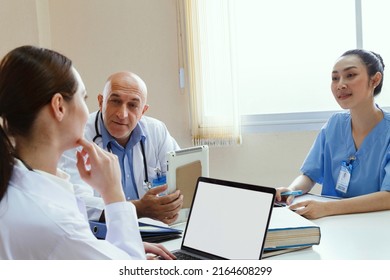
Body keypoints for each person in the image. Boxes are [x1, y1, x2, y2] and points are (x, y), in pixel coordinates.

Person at [0, 45, 175, 259]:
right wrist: (113, 194)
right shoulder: (59, 227)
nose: (122, 114)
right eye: (83, 97)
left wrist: (111, 251)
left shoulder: (15, 189)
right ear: (59, 107)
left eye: (132, 105)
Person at [276, 49, 390, 219]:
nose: (340, 84)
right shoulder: (334, 124)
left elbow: (388, 197)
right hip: (332, 224)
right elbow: (309, 175)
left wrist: (327, 208)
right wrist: (291, 190)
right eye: (335, 78)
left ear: (375, 79)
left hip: (376, 225)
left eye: (350, 75)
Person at [59, 71, 183, 225]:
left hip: (157, 231)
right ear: (101, 102)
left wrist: (171, 206)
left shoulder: (157, 131)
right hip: (103, 235)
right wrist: (137, 209)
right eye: (115, 101)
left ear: (143, 111)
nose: (122, 114)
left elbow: (181, 180)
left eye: (133, 105)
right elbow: (76, 201)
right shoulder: (77, 136)